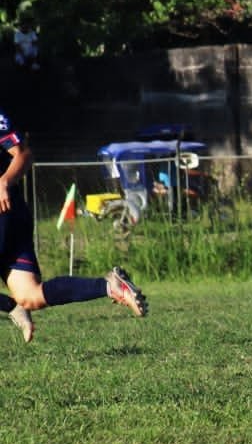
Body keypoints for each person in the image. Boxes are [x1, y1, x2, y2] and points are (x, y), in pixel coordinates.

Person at [1, 109, 148, 343]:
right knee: (30, 296)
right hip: (13, 214)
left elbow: (23, 154)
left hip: (5, 210)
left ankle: (9, 306)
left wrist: (5, 181)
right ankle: (110, 286)